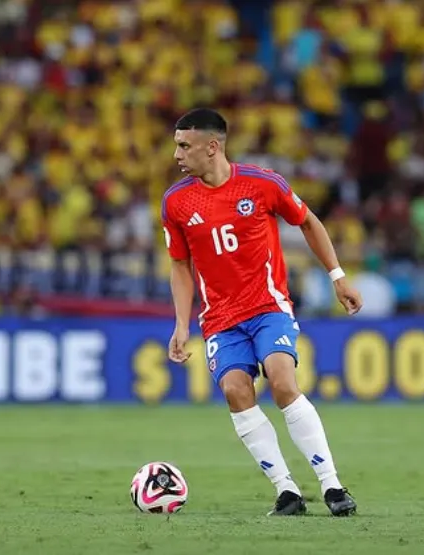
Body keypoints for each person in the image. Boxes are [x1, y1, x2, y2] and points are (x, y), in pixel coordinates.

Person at [161, 108, 363, 516]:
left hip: (268, 306)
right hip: (220, 320)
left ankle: (332, 486)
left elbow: (307, 221)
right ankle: (287, 491)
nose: (177, 154)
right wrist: (182, 323)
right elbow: (180, 265)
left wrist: (337, 276)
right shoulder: (176, 202)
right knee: (236, 391)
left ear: (212, 147)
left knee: (282, 380)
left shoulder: (262, 184)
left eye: (184, 145)